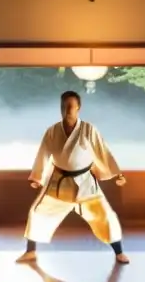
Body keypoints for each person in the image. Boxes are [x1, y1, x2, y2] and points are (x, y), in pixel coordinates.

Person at [16, 90, 130, 264]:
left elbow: (103, 152)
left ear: (78, 108)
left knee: (106, 216)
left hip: (85, 184)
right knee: (37, 213)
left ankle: (119, 252)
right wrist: (37, 177)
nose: (67, 110)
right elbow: (43, 154)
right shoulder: (52, 131)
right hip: (59, 184)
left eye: (71, 106)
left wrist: (117, 174)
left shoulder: (88, 129)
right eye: (64, 106)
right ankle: (30, 252)